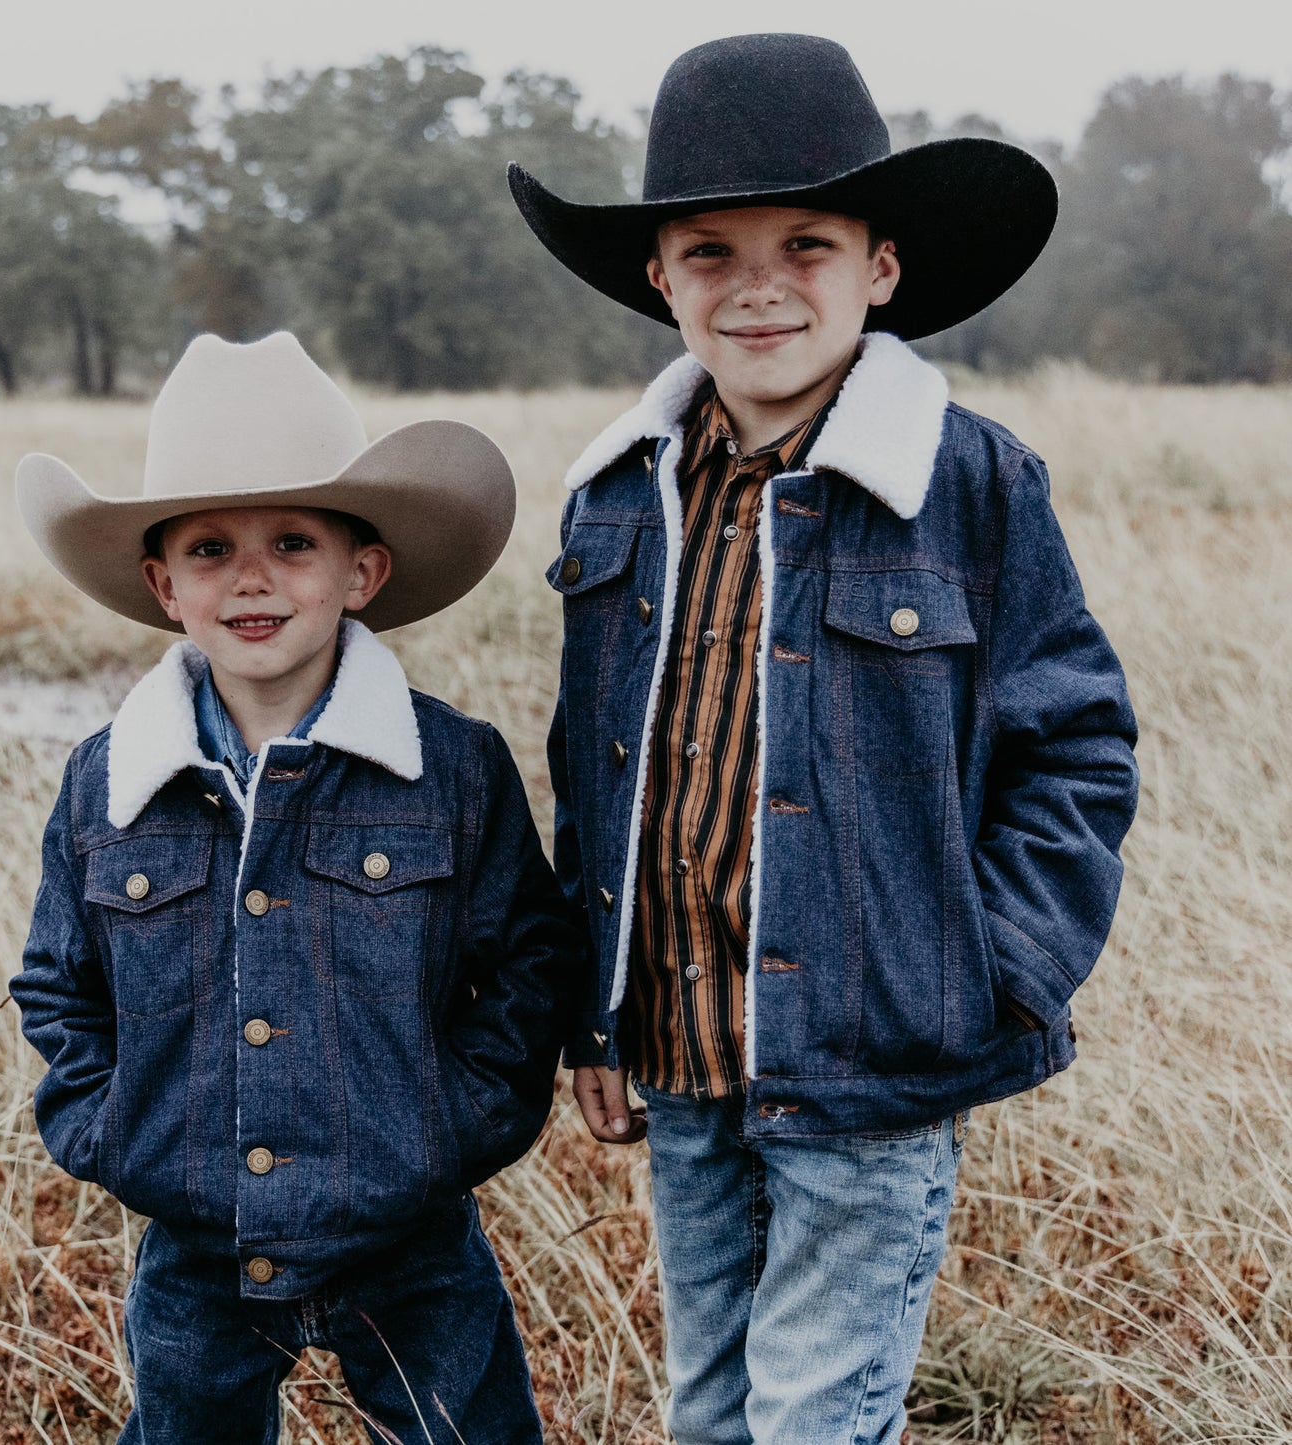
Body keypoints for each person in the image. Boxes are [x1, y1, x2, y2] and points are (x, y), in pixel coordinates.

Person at [509, 33, 1139, 1444]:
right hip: (677, 1057)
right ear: (658, 277)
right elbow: (591, 770)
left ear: (882, 268)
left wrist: (990, 975)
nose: (760, 285)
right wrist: (589, 1012)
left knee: (813, 1418)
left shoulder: (965, 483)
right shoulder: (615, 500)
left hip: (873, 1066)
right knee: (711, 1411)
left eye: (807, 242)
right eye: (711, 250)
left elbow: (1078, 749)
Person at [11, 331, 566, 1445]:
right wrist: (118, 1131)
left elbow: (524, 966)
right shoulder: (108, 784)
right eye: (210, 547)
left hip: (409, 1234)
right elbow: (59, 985)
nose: (252, 575)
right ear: (164, 585)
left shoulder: (450, 770)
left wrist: (445, 1131)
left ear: (362, 572)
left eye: (293, 541)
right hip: (195, 1237)